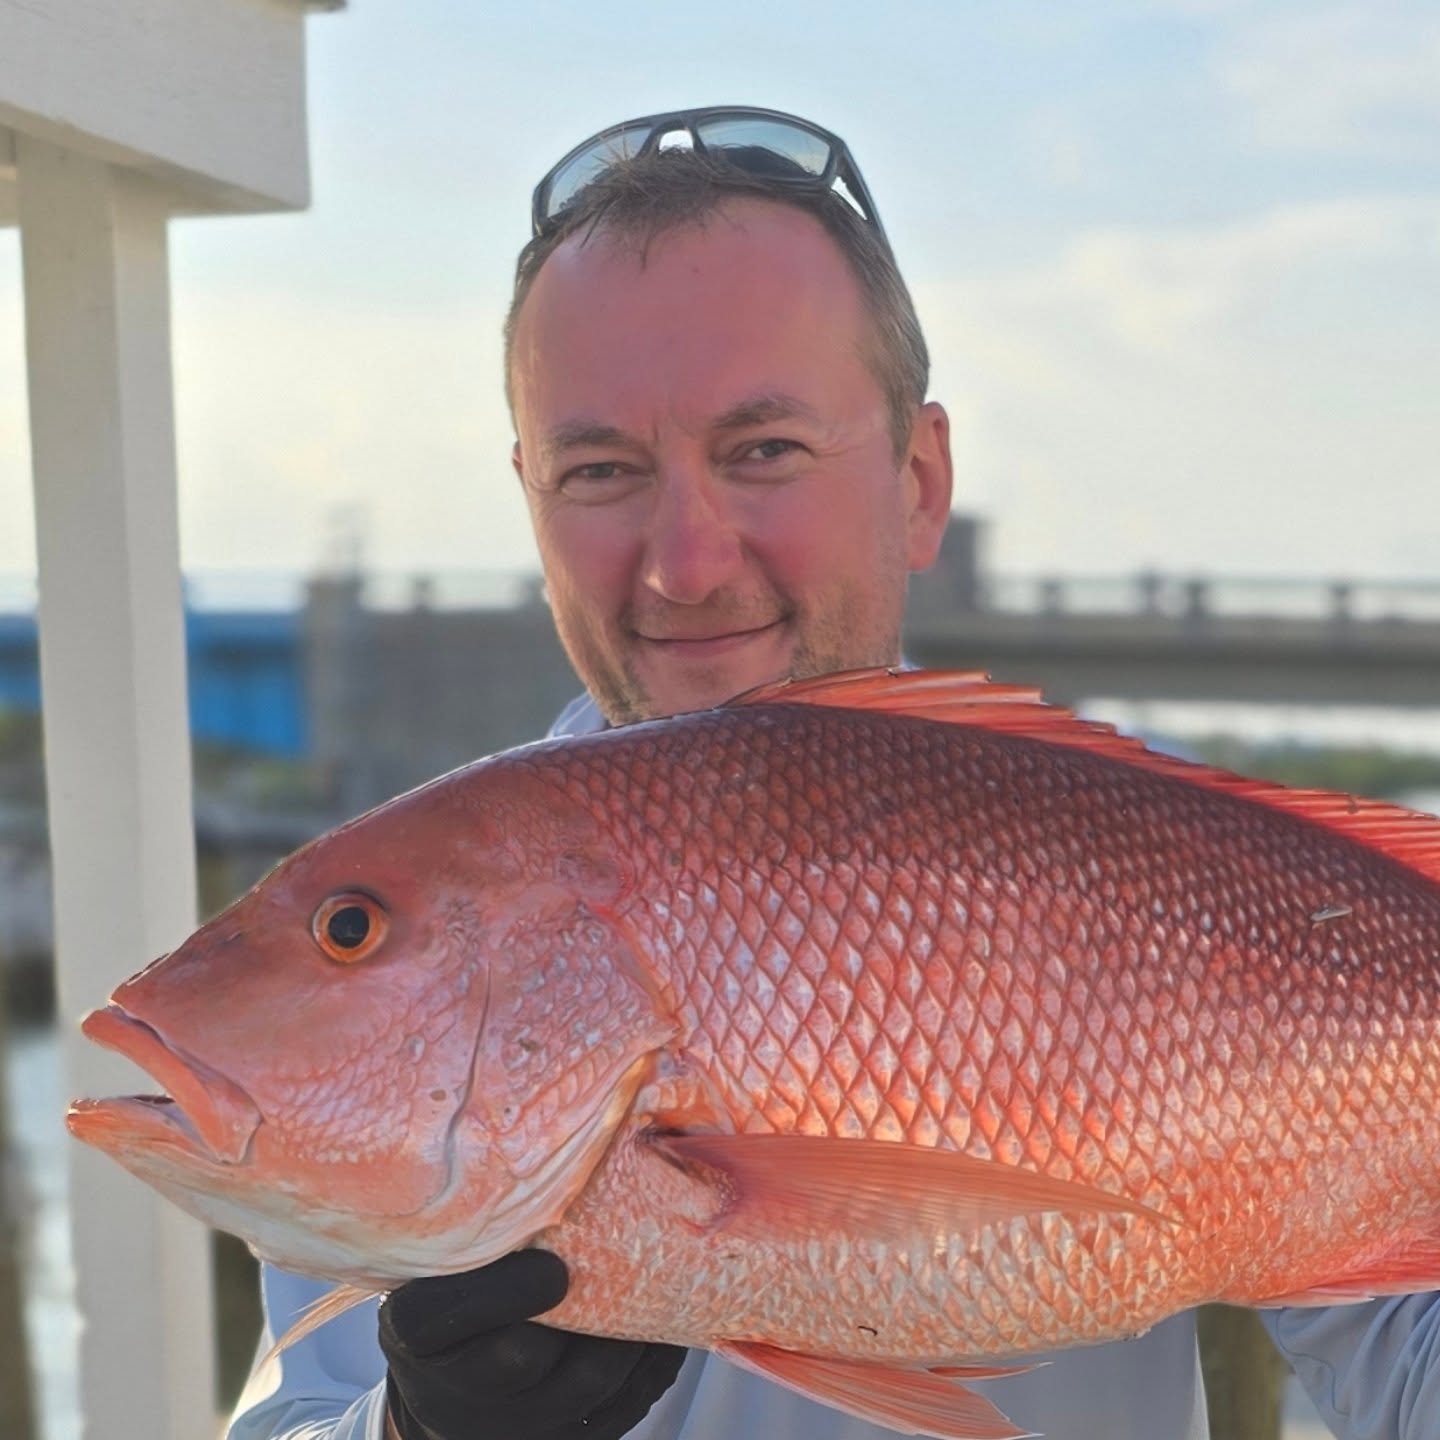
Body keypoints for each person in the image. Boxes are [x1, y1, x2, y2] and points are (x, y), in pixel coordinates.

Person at [227, 107, 1440, 1440]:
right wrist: (416, 1432)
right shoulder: (426, 929)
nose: (686, 564)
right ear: (533, 503)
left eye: (764, 452)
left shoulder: (1175, 863)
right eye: (601, 469)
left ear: (919, 481)